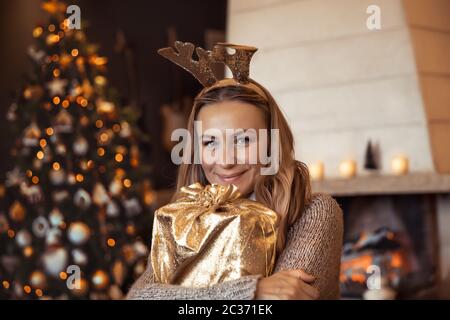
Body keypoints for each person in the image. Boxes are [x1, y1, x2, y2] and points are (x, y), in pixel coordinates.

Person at [126, 42, 343, 300]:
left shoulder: (315, 212)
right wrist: (251, 291)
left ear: (272, 144)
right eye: (210, 142)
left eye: (243, 140)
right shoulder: (185, 215)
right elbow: (138, 296)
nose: (226, 161)